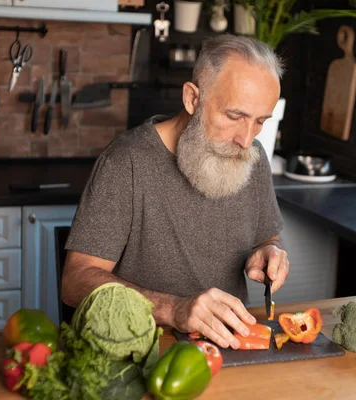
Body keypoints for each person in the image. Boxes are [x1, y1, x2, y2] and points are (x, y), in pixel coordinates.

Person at [62, 34, 290, 349]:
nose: (246, 139)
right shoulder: (126, 161)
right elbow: (75, 282)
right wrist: (174, 308)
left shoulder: (254, 156)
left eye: (260, 122)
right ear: (192, 98)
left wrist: (269, 251)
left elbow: (266, 238)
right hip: (145, 350)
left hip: (231, 348)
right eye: (234, 117)